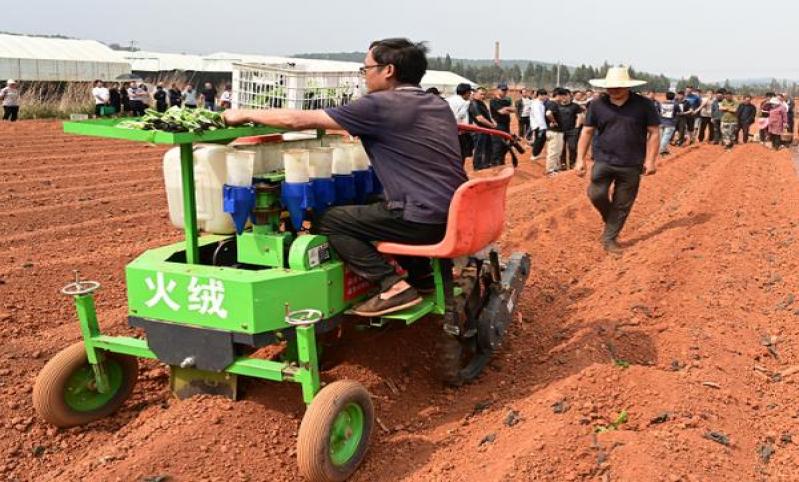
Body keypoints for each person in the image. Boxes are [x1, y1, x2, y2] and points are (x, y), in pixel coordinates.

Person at [223, 38, 467, 316]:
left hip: (422, 219)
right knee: (378, 200)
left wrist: (240, 114)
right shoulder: (436, 103)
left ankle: (393, 286)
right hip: (452, 214)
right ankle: (421, 274)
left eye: (366, 69)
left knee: (330, 220)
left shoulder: (380, 105)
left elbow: (297, 121)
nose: (364, 76)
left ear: (388, 70)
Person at [575, 67, 660, 254]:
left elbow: (654, 132)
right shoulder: (597, 105)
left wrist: (650, 160)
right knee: (596, 194)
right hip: (603, 160)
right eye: (610, 87)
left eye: (618, 87)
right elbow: (587, 131)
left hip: (632, 163)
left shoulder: (644, 105)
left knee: (623, 203)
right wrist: (579, 159)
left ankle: (609, 238)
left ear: (627, 86)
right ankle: (612, 219)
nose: (614, 90)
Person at [546, 88, 583, 172]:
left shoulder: (575, 106)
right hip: (560, 130)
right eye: (563, 95)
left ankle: (572, 163)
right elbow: (550, 115)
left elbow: (579, 116)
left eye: (566, 95)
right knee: (561, 148)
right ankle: (563, 164)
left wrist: (577, 127)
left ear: (570, 96)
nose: (564, 97)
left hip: (572, 130)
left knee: (572, 147)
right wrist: (552, 122)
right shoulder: (556, 105)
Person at [468, 86, 496, 170]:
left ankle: (487, 164)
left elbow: (487, 115)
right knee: (479, 149)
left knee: (488, 147)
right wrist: (492, 126)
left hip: (486, 130)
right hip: (479, 130)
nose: (483, 96)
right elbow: (480, 118)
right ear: (475, 93)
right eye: (481, 94)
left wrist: (492, 123)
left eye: (484, 94)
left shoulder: (481, 103)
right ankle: (478, 167)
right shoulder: (474, 104)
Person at [446, 82, 474, 163]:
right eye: (469, 92)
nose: (470, 94)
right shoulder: (464, 103)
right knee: (461, 156)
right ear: (466, 92)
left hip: (446, 132)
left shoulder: (448, 99)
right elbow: (460, 117)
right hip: (459, 133)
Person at [489, 83, 515, 166]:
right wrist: (507, 109)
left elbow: (514, 109)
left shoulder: (506, 101)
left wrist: (506, 108)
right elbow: (501, 112)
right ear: (498, 90)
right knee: (497, 146)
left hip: (506, 126)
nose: (504, 92)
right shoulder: (494, 101)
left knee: (505, 146)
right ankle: (494, 164)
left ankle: (501, 162)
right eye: (502, 90)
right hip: (498, 126)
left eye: (505, 90)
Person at [529, 89, 548, 160]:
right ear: (540, 95)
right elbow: (539, 116)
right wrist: (543, 127)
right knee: (539, 140)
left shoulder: (540, 103)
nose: (546, 97)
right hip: (539, 126)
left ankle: (536, 153)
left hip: (539, 125)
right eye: (544, 95)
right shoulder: (536, 104)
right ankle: (534, 154)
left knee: (540, 140)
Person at [658, 91, 679, 155]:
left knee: (662, 137)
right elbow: (679, 112)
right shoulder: (675, 104)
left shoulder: (661, 103)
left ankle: (665, 150)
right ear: (673, 97)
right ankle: (661, 150)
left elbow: (659, 112)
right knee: (666, 137)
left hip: (662, 122)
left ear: (666, 96)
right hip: (670, 123)